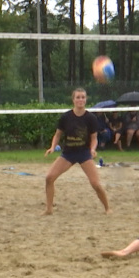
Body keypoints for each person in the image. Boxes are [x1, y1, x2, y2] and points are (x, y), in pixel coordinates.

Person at [43, 88, 111, 216]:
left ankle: (107, 208)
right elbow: (57, 135)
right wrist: (53, 147)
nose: (81, 100)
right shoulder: (66, 117)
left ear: (86, 99)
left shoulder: (90, 118)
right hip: (68, 153)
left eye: (83, 97)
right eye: (78, 97)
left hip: (84, 154)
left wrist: (92, 149)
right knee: (49, 178)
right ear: (73, 99)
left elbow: (94, 138)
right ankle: (49, 209)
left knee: (95, 183)